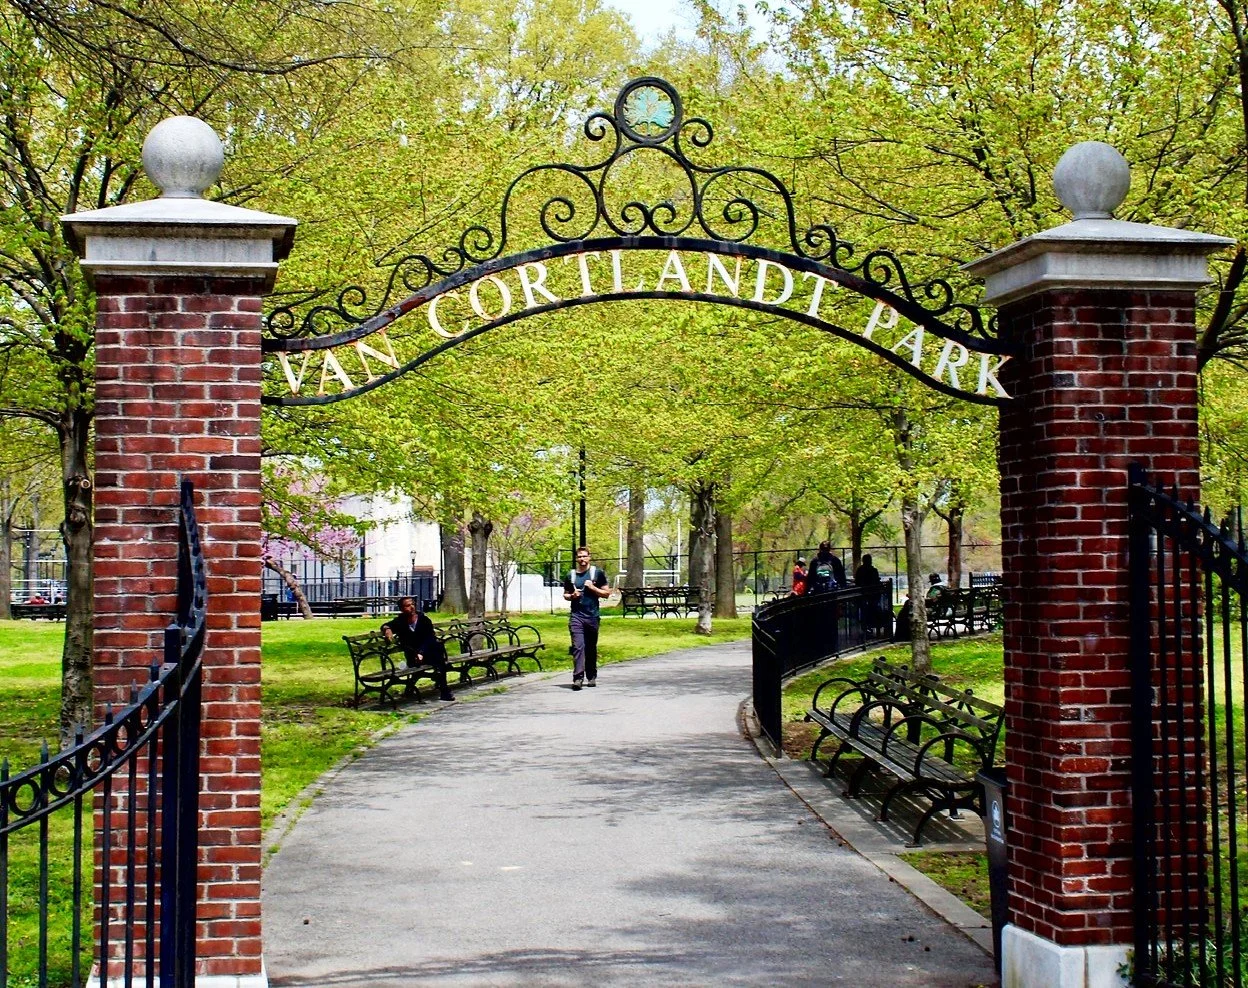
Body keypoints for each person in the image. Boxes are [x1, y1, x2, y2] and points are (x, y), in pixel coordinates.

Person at [381, 596, 454, 701]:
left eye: (413, 604)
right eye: (407, 605)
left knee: (438, 657)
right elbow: (386, 625)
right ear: (402, 609)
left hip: (426, 653)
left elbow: (430, 638)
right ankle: (443, 688)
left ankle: (444, 691)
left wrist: (421, 652)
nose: (411, 607)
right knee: (439, 661)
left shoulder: (424, 620)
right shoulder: (400, 621)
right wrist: (387, 629)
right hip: (412, 656)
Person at [563, 546, 608, 690]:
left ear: (589, 557)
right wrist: (571, 596)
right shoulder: (571, 575)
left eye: (584, 556)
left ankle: (591, 676)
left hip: (592, 616)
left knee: (590, 648)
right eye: (579, 557)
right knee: (578, 647)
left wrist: (593, 588)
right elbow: (565, 594)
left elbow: (607, 593)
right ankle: (578, 678)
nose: (582, 559)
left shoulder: (597, 573)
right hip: (576, 616)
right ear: (576, 558)